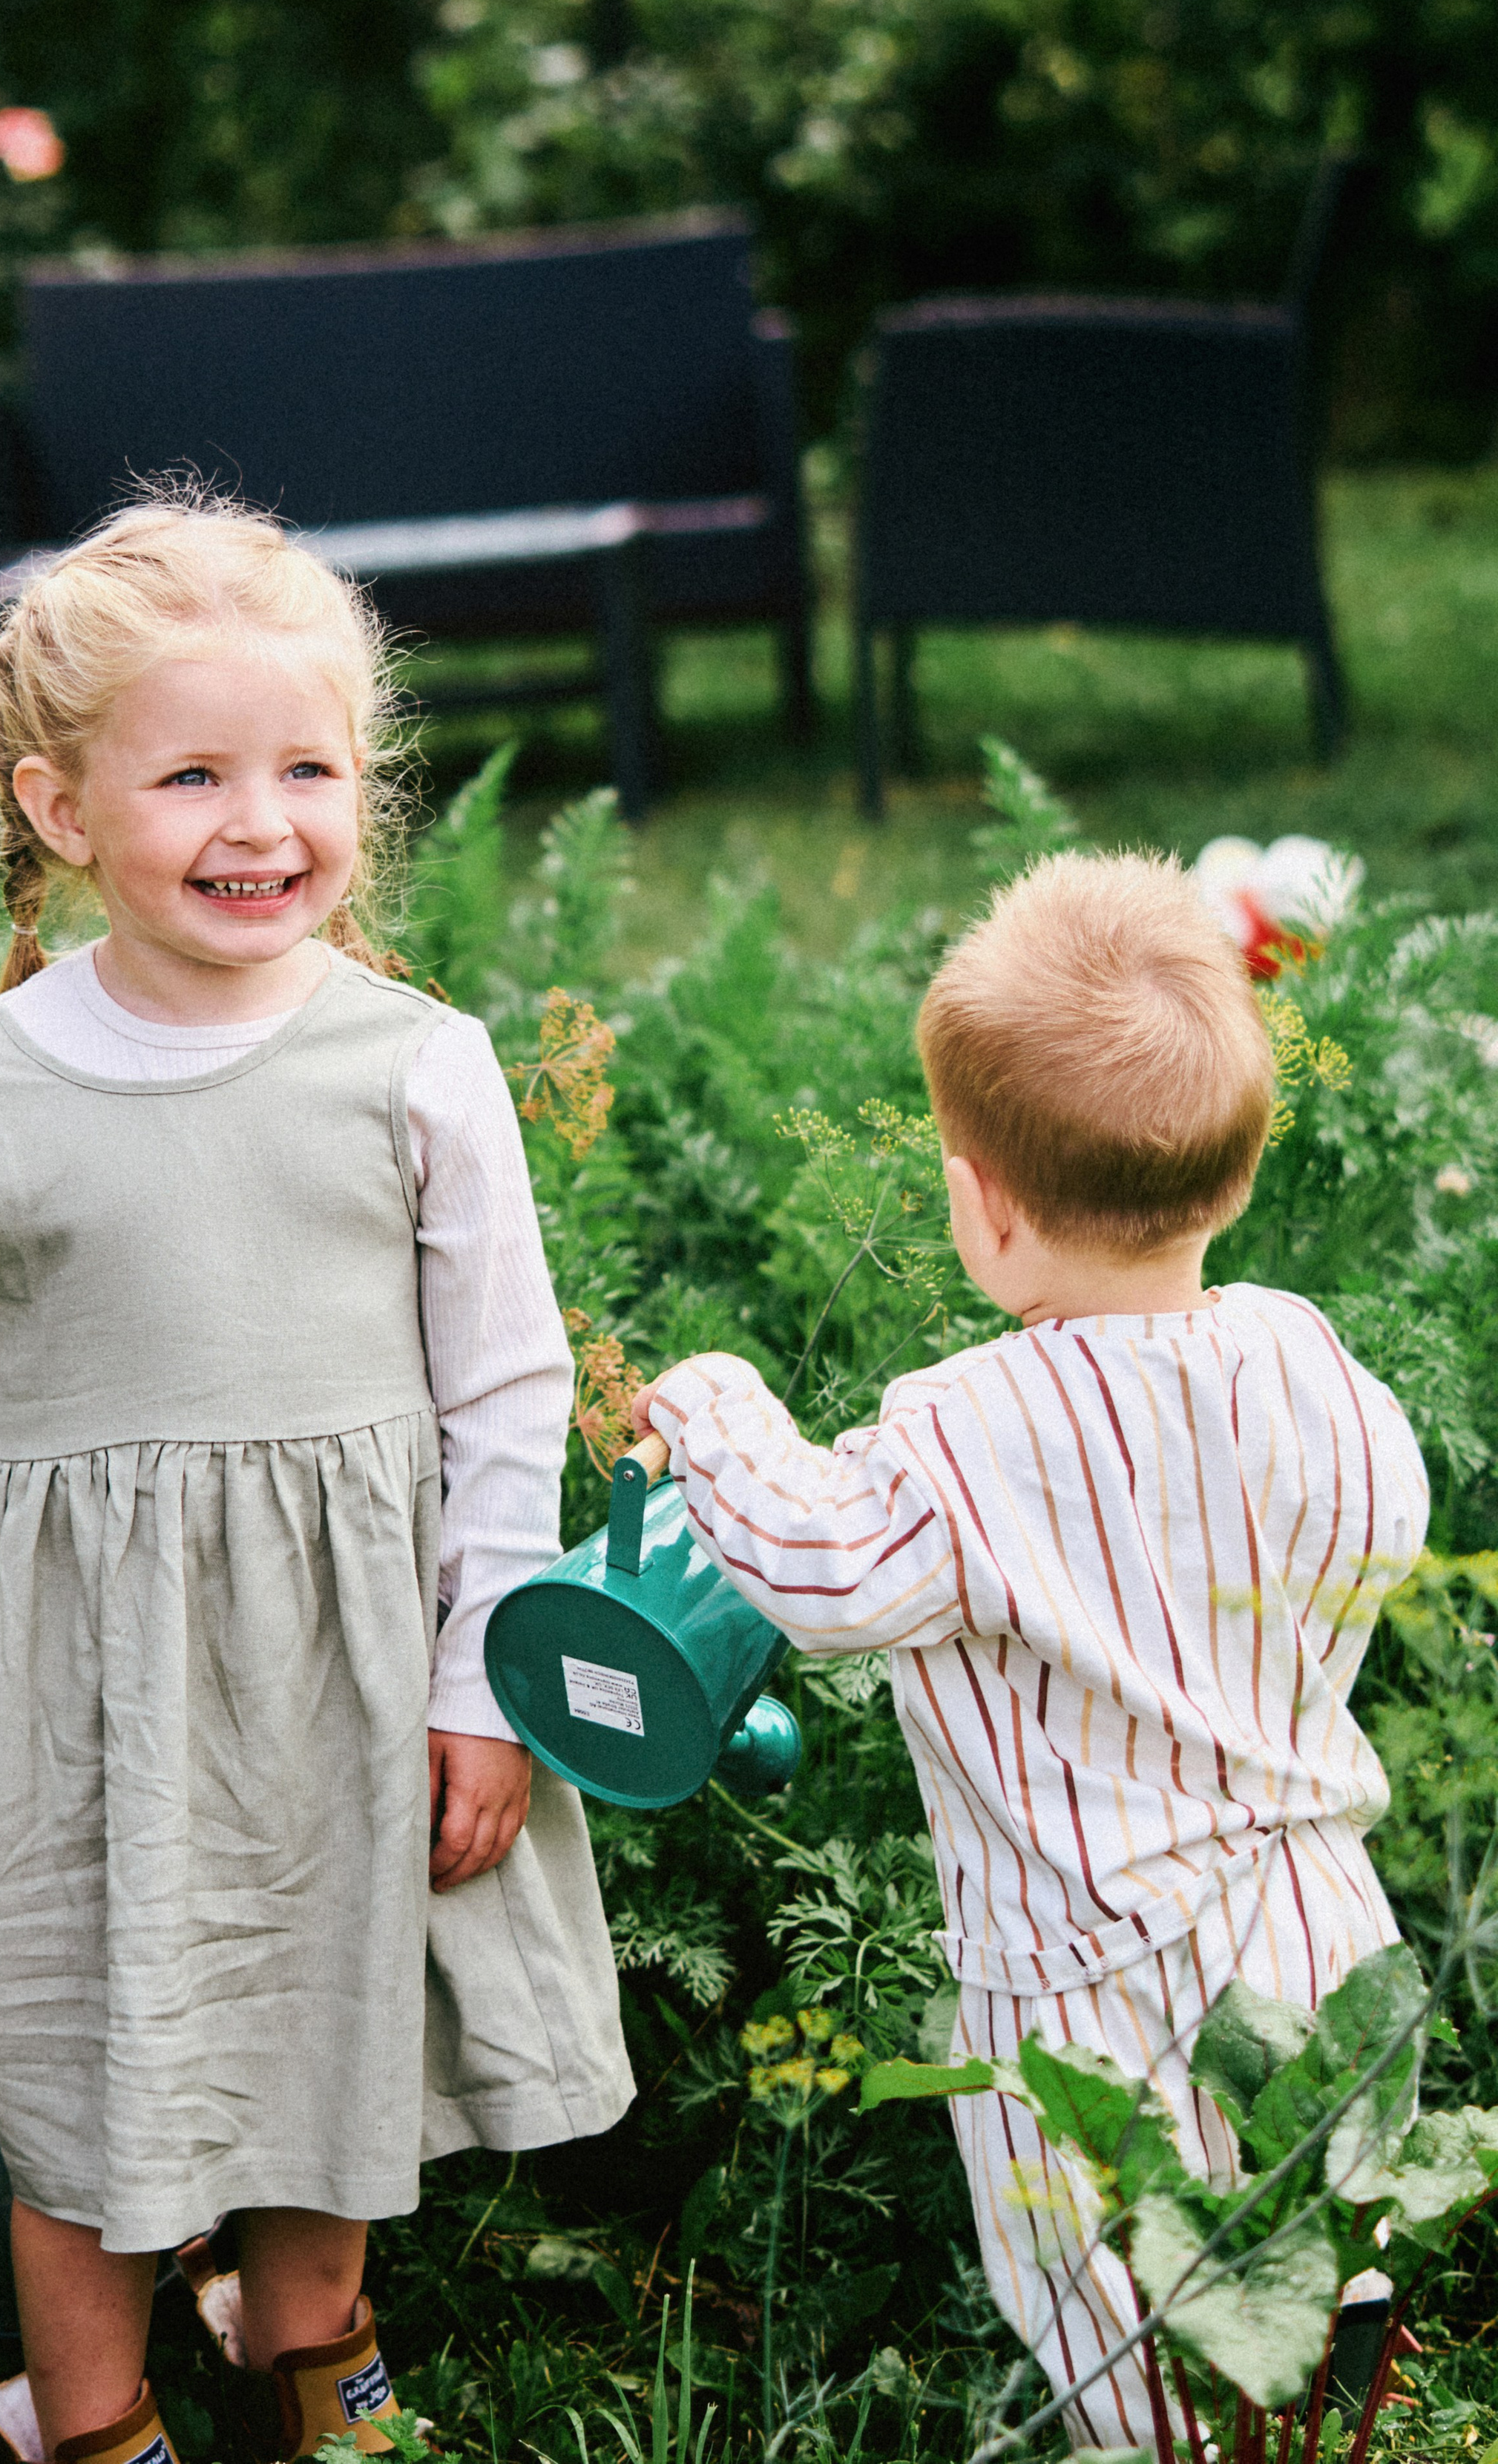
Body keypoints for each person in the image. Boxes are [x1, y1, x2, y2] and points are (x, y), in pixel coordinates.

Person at [0, 494, 633, 2464]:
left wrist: (486, 1688)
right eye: (194, 773)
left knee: (330, 2017)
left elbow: (505, 1389)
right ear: (61, 811)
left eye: (307, 767)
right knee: (78, 2051)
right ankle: (99, 2409)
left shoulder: (416, 1060)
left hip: (350, 1654)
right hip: (94, 1676)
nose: (262, 821)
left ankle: (307, 2348)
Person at [629, 850, 1427, 2457]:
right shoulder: (1304, 1355)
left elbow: (821, 1570)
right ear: (1236, 1172)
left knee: (1124, 2299)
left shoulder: (966, 1431)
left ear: (983, 1205)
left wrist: (707, 1404)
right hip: (1318, 1922)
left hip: (1090, 1979)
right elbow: (1382, 1520)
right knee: (1321, 2240)